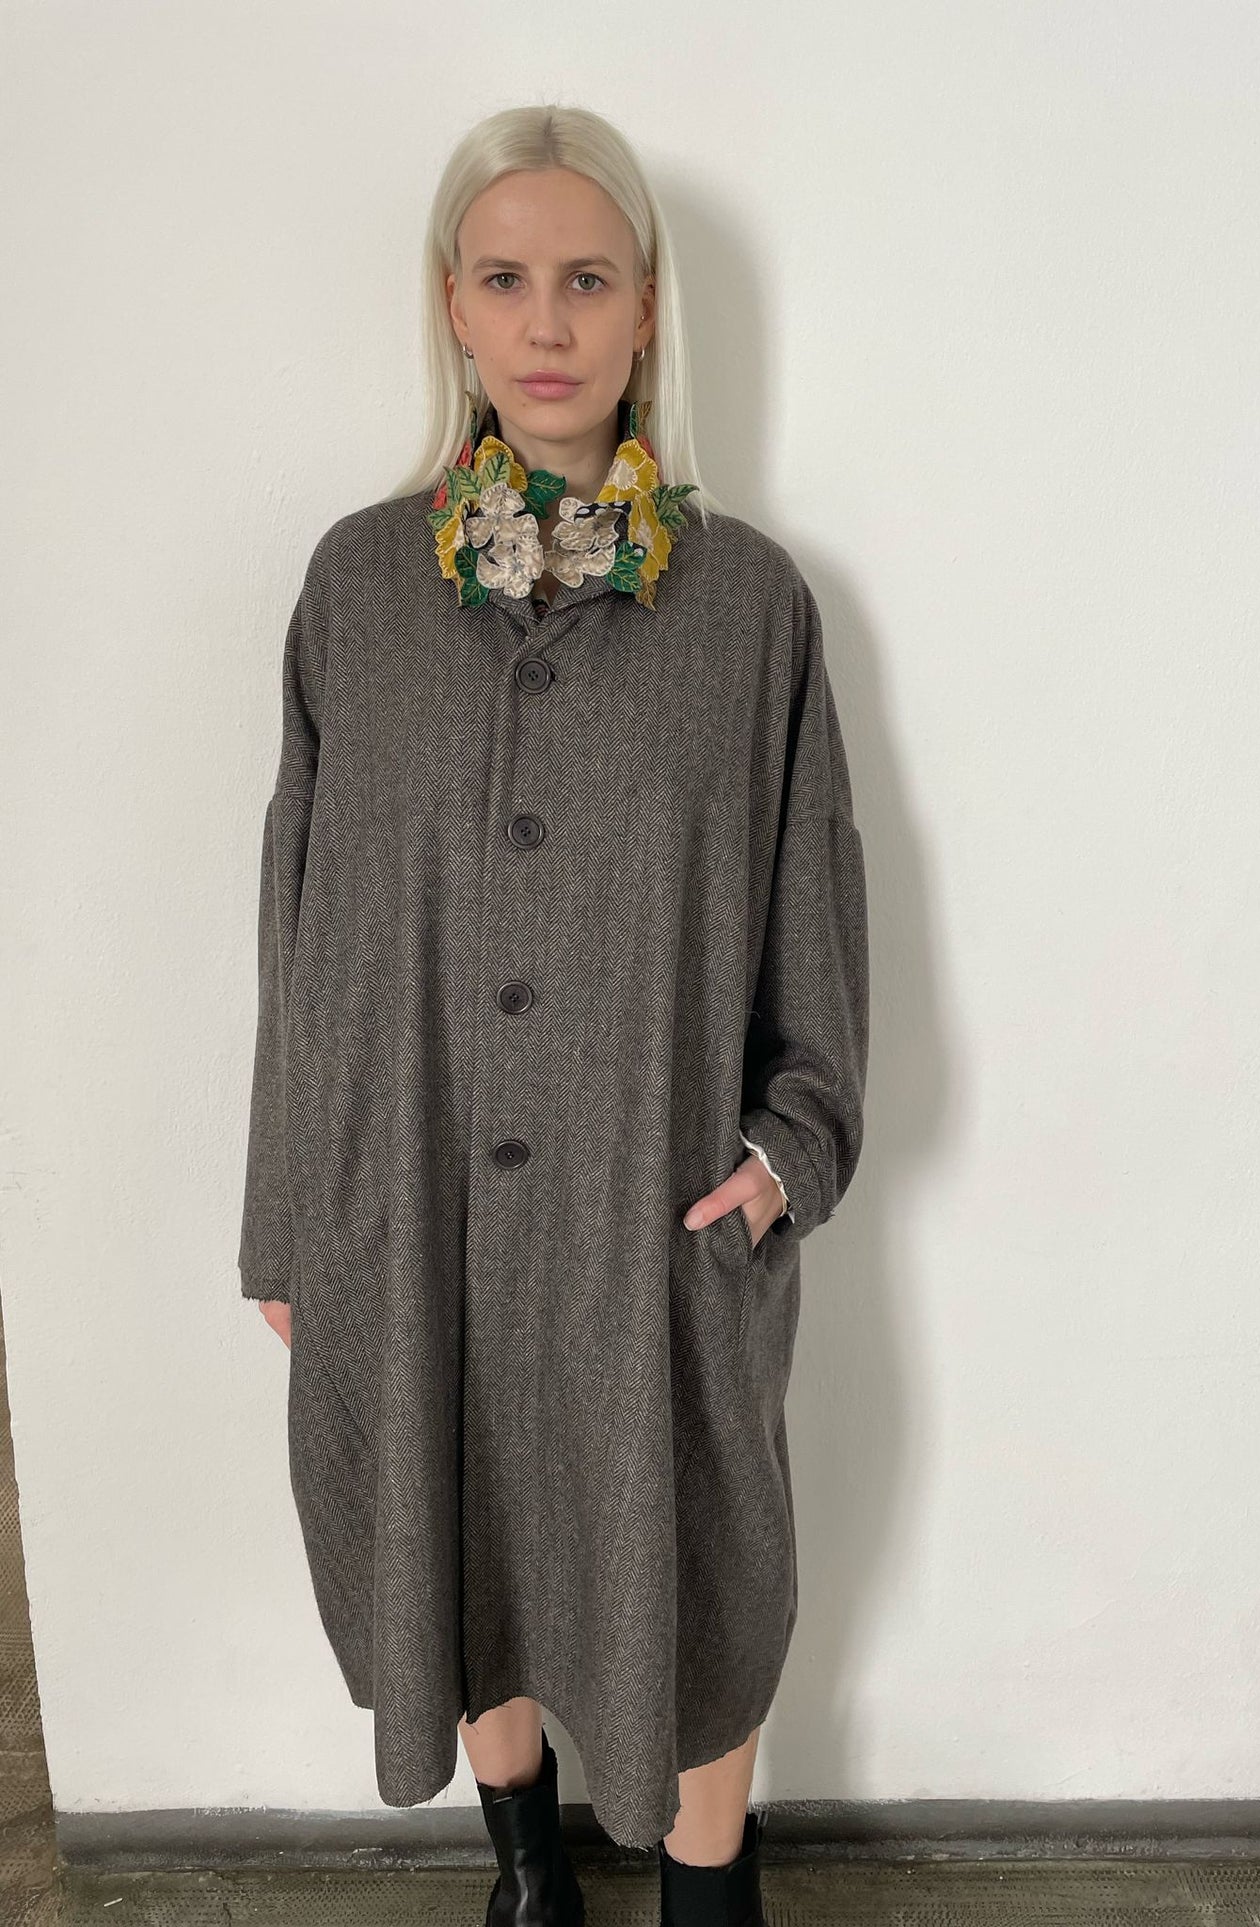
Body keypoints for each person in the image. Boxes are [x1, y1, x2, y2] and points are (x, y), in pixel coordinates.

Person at [238, 101, 869, 1926]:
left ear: (646, 308)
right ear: (450, 305)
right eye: (505, 279)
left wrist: (782, 1161)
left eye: (586, 280)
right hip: (409, 1205)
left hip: (646, 1226)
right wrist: (288, 1218)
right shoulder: (356, 590)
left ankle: (707, 1892)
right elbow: (297, 933)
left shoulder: (747, 607)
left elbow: (814, 919)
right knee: (454, 1540)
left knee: (703, 1571)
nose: (545, 322)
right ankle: (524, 1866)